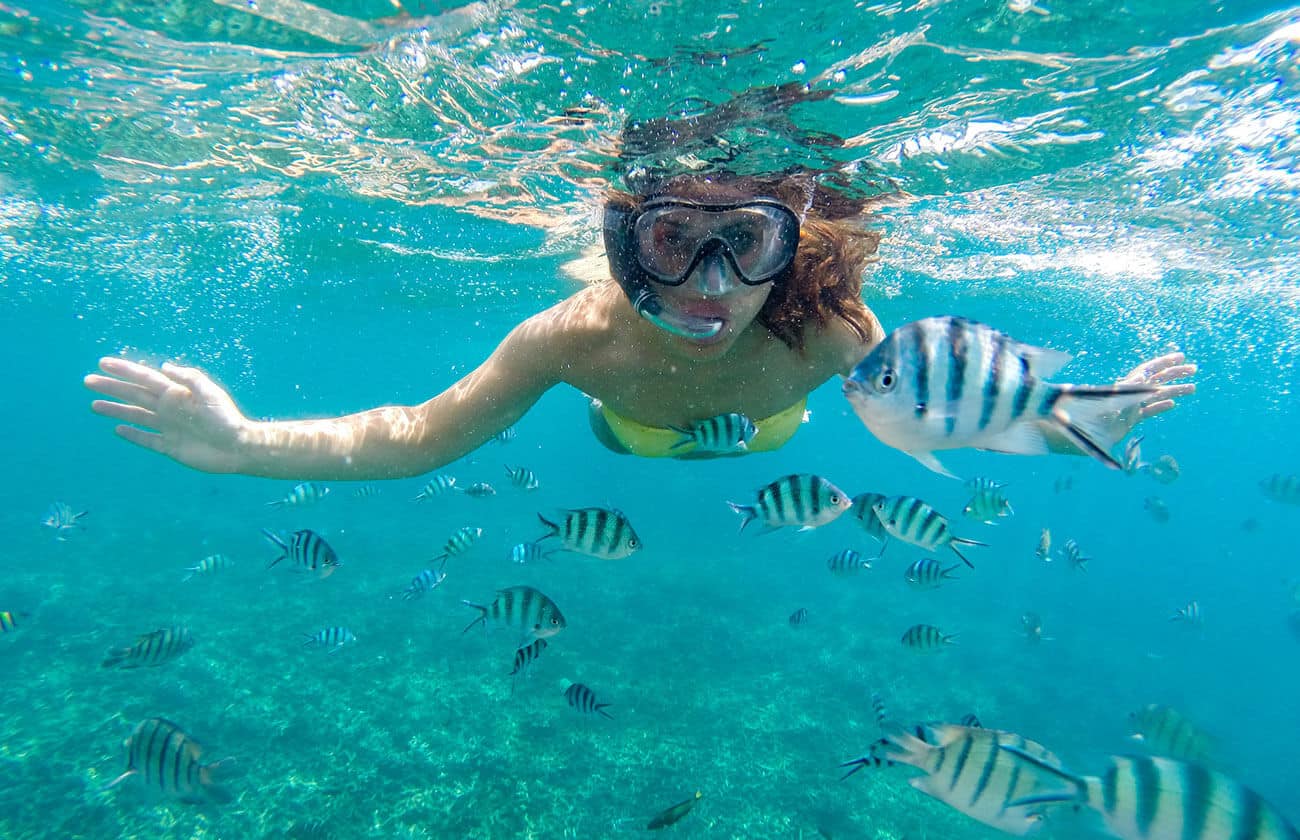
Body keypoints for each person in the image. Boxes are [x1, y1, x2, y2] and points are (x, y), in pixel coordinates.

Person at [83, 163, 1195, 478]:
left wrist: (1090, 423)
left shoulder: (836, 338)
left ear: (791, 250)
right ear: (624, 248)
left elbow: (957, 413)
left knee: (779, 437)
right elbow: (420, 434)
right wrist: (238, 445)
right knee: (630, 438)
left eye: (745, 244)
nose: (709, 283)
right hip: (625, 420)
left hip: (774, 430)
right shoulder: (568, 339)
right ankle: (635, 439)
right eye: (670, 242)